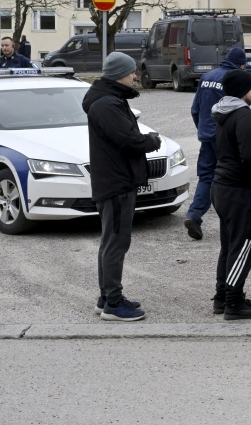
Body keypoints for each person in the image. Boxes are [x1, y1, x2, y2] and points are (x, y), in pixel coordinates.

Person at [82, 52, 162, 321]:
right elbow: (129, 140)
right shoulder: (106, 103)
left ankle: (106, 297)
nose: (135, 76)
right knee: (116, 242)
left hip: (114, 179)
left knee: (110, 242)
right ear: (119, 74)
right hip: (116, 182)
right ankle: (114, 304)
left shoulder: (110, 99)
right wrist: (152, 140)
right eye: (132, 72)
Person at [211, 69, 251, 320]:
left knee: (229, 246)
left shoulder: (223, 113)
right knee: (244, 245)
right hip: (237, 190)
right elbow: (250, 157)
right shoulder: (243, 115)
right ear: (241, 91)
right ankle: (233, 303)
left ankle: (222, 297)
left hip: (221, 187)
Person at [185, 47, 248, 240]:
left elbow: (195, 109)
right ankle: (233, 220)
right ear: (242, 65)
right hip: (226, 138)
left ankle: (194, 214)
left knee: (206, 177)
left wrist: (203, 130)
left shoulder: (207, 77)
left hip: (207, 137)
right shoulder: (235, 79)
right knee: (231, 177)